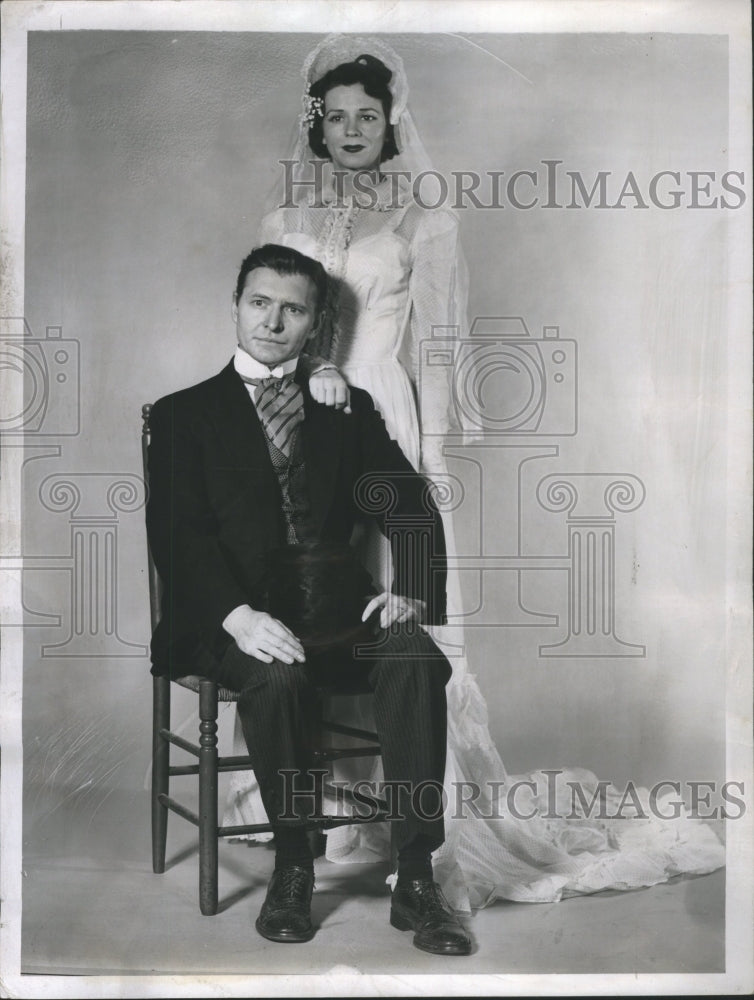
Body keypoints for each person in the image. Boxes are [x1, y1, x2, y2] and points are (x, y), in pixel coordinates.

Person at [223, 35, 726, 911]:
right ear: (318, 126)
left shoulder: (428, 218)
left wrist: (431, 459)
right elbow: (268, 326)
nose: (351, 131)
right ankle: (322, 813)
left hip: (384, 412)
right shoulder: (283, 223)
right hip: (300, 418)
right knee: (303, 596)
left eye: (367, 117)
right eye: (335, 117)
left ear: (391, 123)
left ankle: (421, 836)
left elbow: (444, 344)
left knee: (397, 618)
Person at [146, 242, 473, 954]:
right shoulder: (182, 416)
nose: (272, 322)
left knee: (414, 655)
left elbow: (408, 501)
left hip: (334, 612)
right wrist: (240, 618)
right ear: (236, 307)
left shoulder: (342, 409)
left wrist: (412, 592)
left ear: (315, 323)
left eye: (292, 310)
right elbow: (179, 536)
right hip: (226, 617)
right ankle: (294, 863)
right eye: (259, 303)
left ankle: (416, 876)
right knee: (275, 672)